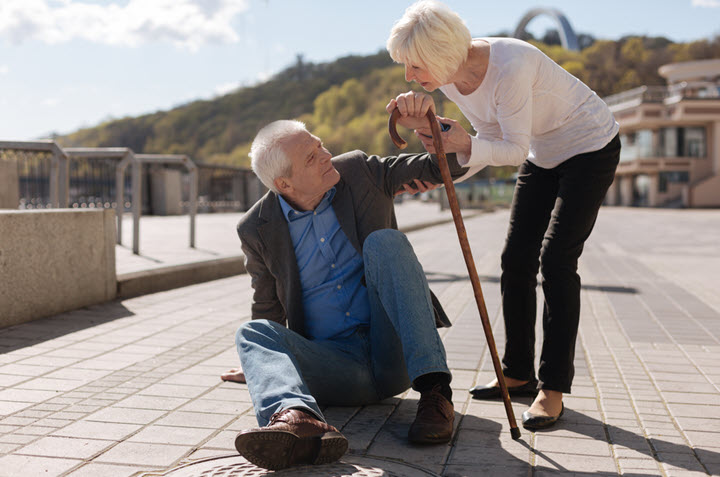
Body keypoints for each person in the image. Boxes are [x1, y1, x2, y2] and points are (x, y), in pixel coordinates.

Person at [386, 0, 620, 430]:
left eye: (415, 65)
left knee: (556, 260)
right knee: (515, 260)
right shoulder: (453, 77)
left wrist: (461, 144)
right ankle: (517, 372)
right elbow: (488, 137)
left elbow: (509, 150)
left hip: (590, 146)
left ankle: (552, 388)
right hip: (542, 152)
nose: (409, 77)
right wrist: (445, 173)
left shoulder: (510, 65)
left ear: (441, 53)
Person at [231, 118, 468, 470]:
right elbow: (266, 304)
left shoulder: (358, 171)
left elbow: (438, 168)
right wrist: (263, 362)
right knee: (250, 334)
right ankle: (299, 421)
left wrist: (451, 140)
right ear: (284, 183)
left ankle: (436, 393)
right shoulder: (256, 227)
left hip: (394, 354)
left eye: (320, 145)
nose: (327, 155)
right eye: (312, 157)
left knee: (385, 241)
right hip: (334, 369)